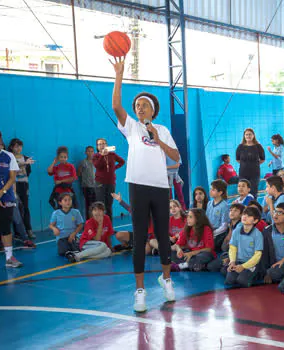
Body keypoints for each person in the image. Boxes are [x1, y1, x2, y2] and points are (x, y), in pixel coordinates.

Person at [112, 57, 180, 312]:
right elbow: (117, 104)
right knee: (140, 237)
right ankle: (139, 290)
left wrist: (158, 140)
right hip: (138, 185)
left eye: (143, 106)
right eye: (137, 106)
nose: (139, 109)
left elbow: (176, 157)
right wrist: (119, 74)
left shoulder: (161, 129)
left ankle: (167, 280)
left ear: (152, 110)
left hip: (160, 187)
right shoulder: (130, 127)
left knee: (163, 236)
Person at [0, 129, 23, 268]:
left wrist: (1, 192)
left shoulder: (9, 156)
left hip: (6, 197)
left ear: (1, 139)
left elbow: (12, 178)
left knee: (6, 227)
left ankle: (9, 257)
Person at [225, 207, 264, 287]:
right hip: (238, 261)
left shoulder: (258, 234)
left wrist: (243, 266)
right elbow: (232, 247)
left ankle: (258, 273)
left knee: (242, 281)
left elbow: (257, 255)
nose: (245, 217)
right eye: (244, 214)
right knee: (229, 281)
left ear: (255, 220)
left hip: (252, 264)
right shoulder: (236, 231)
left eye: (249, 215)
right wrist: (232, 262)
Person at [7, 138, 35, 239]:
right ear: (11, 147)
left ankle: (29, 230)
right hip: (13, 185)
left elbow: (28, 172)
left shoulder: (26, 157)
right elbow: (11, 169)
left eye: (20, 146)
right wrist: (24, 164)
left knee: (25, 207)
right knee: (15, 208)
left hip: (23, 184)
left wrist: (26, 164)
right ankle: (17, 233)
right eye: (16, 146)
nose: (18, 148)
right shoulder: (9, 157)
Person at [93, 138, 125, 219]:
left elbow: (122, 161)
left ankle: (109, 227)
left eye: (103, 143)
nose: (102, 145)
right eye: (100, 144)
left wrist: (114, 168)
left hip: (111, 182)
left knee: (109, 205)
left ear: (106, 145)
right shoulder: (96, 156)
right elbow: (97, 166)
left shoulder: (112, 155)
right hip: (100, 182)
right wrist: (102, 156)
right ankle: (101, 226)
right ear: (97, 146)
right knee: (101, 205)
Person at [264, 203, 284, 284]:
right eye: (275, 212)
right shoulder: (267, 231)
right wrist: (267, 273)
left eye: (280, 213)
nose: (276, 214)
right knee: (272, 273)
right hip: (275, 266)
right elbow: (264, 254)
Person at [49, 193, 84, 258]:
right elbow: (51, 225)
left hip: (73, 236)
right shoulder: (56, 213)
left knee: (77, 249)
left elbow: (80, 225)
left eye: (69, 200)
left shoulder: (76, 212)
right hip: (61, 237)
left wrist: (74, 234)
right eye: (65, 200)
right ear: (60, 202)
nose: (68, 202)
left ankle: (74, 254)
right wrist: (54, 229)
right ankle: (69, 255)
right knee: (63, 251)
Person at [236, 128, 265, 198]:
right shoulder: (240, 146)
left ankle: (253, 207)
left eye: (250, 134)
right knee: (242, 191)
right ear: (244, 136)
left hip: (255, 173)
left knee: (253, 192)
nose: (248, 136)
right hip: (243, 172)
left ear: (253, 135)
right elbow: (237, 159)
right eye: (246, 135)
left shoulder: (258, 146)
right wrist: (245, 164)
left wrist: (254, 164)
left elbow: (262, 159)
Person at [206, 179, 230, 251]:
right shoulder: (209, 203)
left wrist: (213, 233)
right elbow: (206, 219)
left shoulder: (224, 206)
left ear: (220, 193)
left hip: (218, 233)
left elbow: (224, 226)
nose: (210, 191)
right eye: (211, 189)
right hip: (209, 230)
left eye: (213, 190)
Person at [78, 146, 96, 219]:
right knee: (88, 205)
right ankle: (88, 221)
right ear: (85, 152)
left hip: (96, 186)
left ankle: (96, 221)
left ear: (94, 152)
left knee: (96, 205)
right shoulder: (83, 162)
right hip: (87, 187)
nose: (90, 153)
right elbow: (78, 173)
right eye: (88, 151)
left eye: (92, 151)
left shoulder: (97, 161)